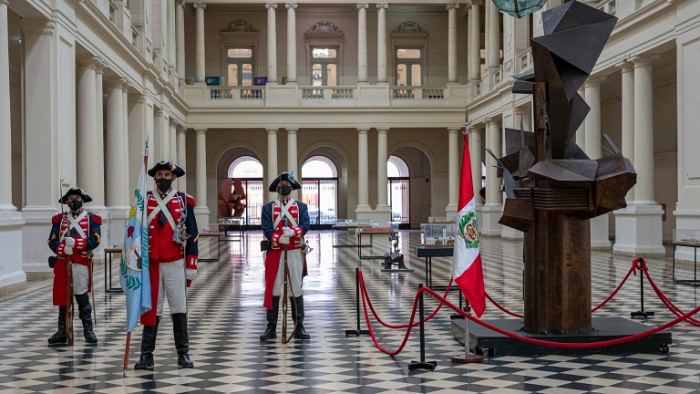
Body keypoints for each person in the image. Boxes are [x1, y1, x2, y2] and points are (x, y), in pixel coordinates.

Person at [134, 160, 199, 370]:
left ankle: (183, 353)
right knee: (151, 308)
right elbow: (135, 231)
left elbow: (193, 233)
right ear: (154, 177)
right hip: (151, 263)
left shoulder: (183, 201)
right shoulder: (144, 200)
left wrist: (191, 263)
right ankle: (146, 355)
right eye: (159, 175)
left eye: (166, 175)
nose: (163, 178)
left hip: (175, 262)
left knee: (178, 307)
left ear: (174, 177)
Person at [260, 171, 311, 341]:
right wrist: (278, 237)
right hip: (276, 252)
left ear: (292, 188)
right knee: (274, 287)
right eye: (282, 185)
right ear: (277, 188)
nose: (285, 187)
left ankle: (299, 325)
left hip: (295, 251)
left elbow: (305, 225)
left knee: (296, 286)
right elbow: (267, 228)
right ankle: (271, 326)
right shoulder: (268, 208)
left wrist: (294, 232)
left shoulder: (301, 207)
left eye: (288, 185)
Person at [47, 187, 101, 345]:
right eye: (70, 199)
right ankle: (62, 330)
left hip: (81, 262)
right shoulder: (59, 219)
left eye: (77, 197)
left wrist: (77, 243)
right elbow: (52, 240)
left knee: (82, 297)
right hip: (63, 262)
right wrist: (61, 248)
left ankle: (88, 330)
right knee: (63, 297)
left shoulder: (92, 219)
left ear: (82, 200)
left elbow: (95, 240)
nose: (73, 201)